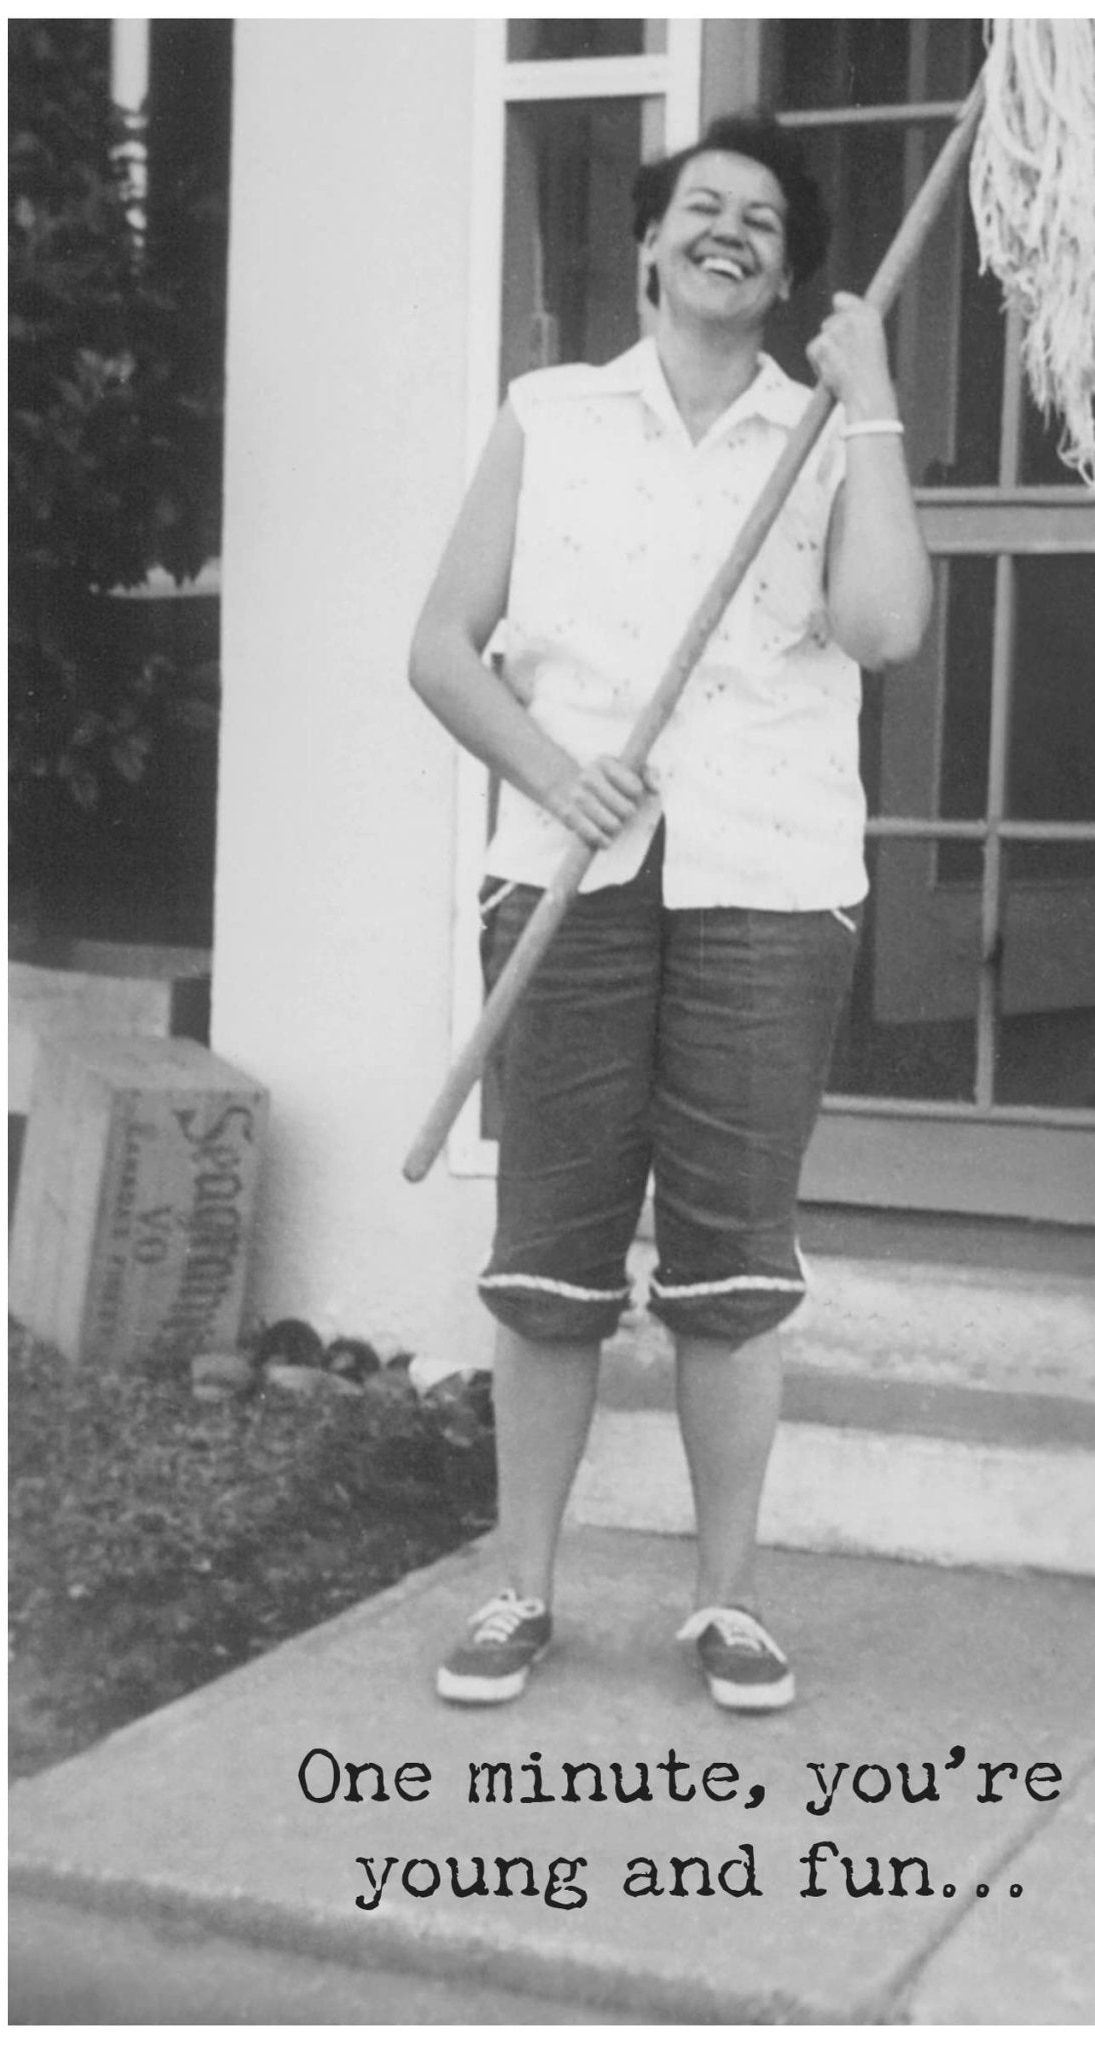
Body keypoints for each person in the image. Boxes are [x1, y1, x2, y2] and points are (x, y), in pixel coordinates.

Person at [407, 113, 931, 1712]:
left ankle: (726, 1605)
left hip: (770, 882)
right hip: (570, 885)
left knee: (733, 1267)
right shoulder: (550, 416)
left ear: (788, 273)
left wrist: (873, 402)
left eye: (762, 221)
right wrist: (551, 774)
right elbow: (442, 648)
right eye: (702, 207)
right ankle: (520, 1591)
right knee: (550, 1258)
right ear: (647, 245)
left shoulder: (822, 430)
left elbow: (885, 627)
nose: (729, 232)